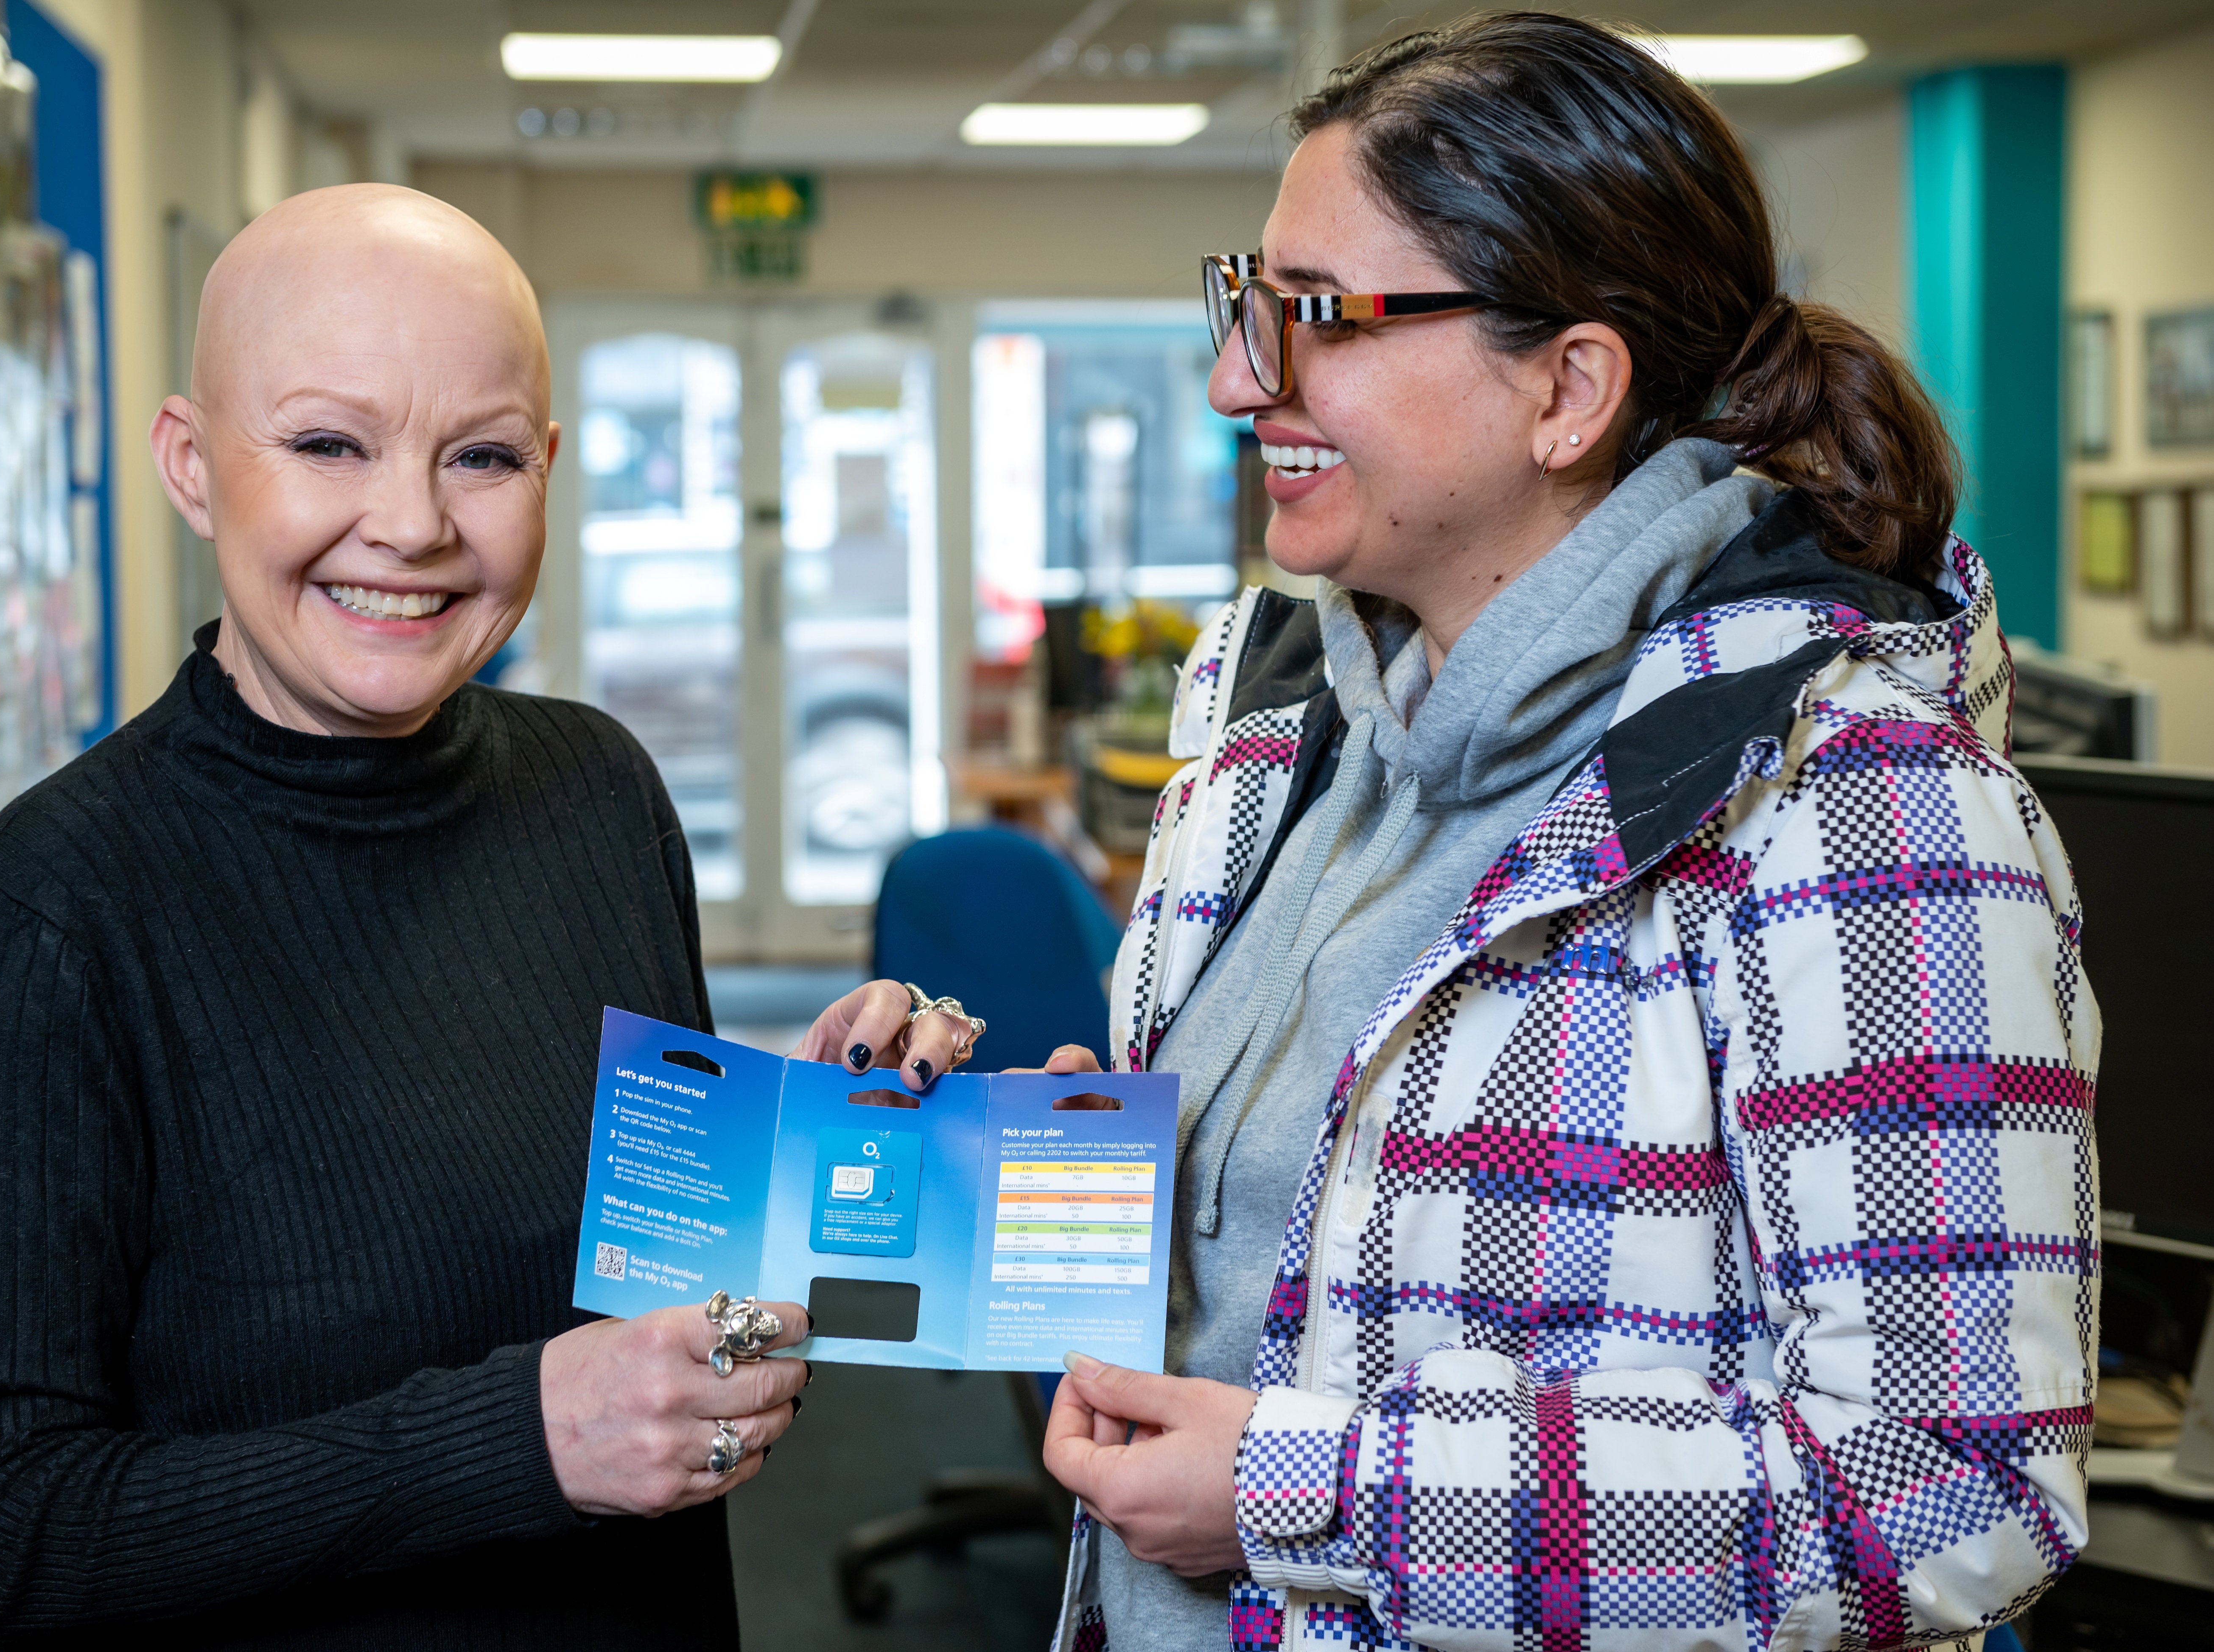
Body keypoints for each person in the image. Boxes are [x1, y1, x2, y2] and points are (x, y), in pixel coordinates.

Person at [812, 14, 2099, 1651]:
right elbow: (1281, 1248)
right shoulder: (1271, 712)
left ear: (1568, 388)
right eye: (1244, 303)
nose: (1235, 381)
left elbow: (1954, 1491)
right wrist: (972, 1144)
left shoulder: (1852, 805)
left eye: (1317, 321)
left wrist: (1313, 1490)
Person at [0, 184, 807, 1649]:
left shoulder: (598, 793)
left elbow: (669, 1267)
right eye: (329, 443)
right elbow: (1, 1526)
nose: (413, 525)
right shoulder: (57, 909)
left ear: (551, 469)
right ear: (193, 469)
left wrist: (839, 1127)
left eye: (485, 456)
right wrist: (519, 1440)